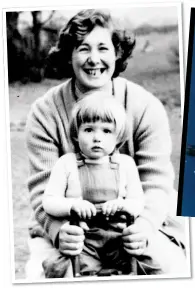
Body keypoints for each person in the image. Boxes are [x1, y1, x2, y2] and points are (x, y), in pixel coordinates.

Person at [25, 9, 187, 279]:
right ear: (69, 55)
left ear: (117, 54)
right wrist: (58, 230)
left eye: (103, 48)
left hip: (138, 220)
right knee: (42, 276)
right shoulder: (44, 112)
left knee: (171, 269)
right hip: (71, 226)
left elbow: (156, 182)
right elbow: (43, 188)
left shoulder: (145, 106)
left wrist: (145, 227)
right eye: (83, 48)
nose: (94, 59)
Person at [41, 94, 144, 277]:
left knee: (151, 266)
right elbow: (49, 201)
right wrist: (73, 205)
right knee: (64, 271)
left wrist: (122, 206)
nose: (97, 137)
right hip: (83, 239)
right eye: (89, 130)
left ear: (118, 136)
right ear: (76, 133)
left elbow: (137, 203)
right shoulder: (67, 163)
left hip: (118, 238)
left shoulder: (125, 164)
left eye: (106, 131)